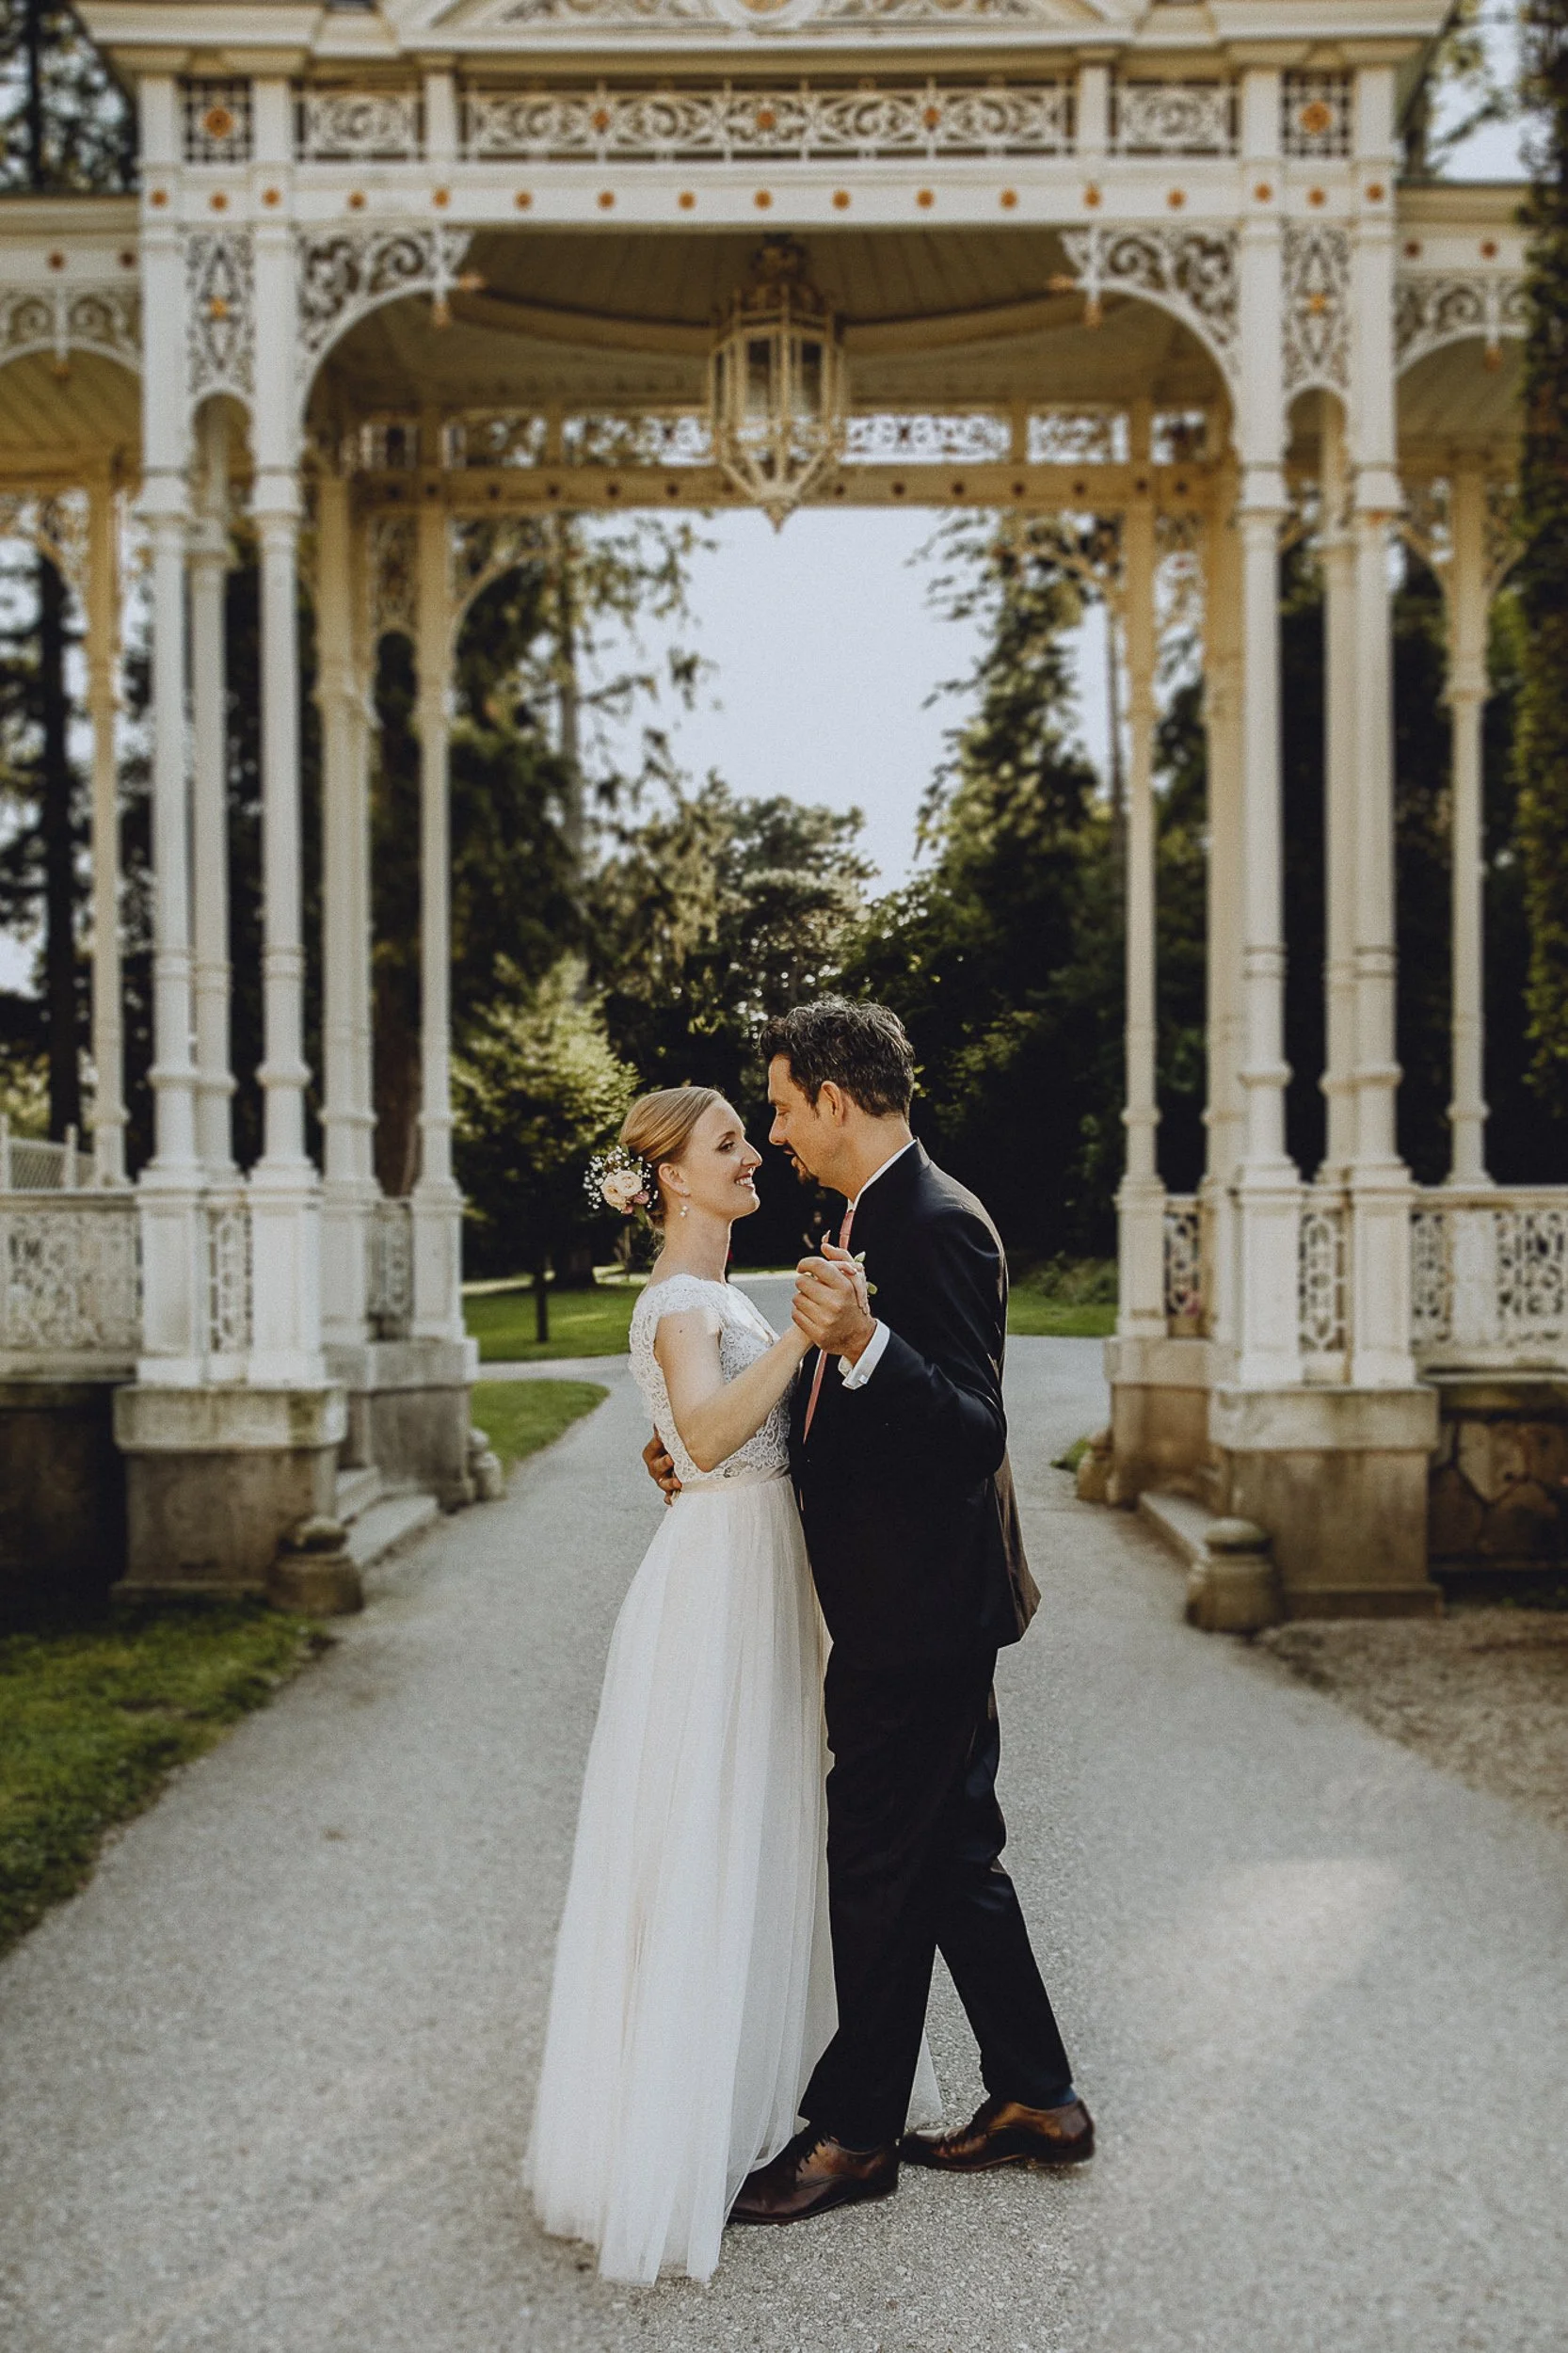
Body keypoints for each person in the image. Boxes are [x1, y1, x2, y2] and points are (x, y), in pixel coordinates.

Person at [648, 1000, 1090, 2227]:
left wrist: (866, 1339)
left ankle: (851, 2139)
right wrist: (717, 1446)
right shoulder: (860, 1212)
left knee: (876, 1860)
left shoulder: (935, 1224)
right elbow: (841, 1412)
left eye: (783, 1105)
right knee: (949, 1849)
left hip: (919, 1609)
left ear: (834, 1101)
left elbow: (972, 1431)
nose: (776, 1131)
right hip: (918, 1598)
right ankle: (1038, 2099)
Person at [526, 1082, 937, 2285]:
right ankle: (672, 2124)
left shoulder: (722, 1294)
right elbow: (705, 1438)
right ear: (670, 1179)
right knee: (704, 1831)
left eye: (745, 1135)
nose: (751, 1153)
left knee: (770, 1822)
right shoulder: (675, 1300)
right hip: (714, 1583)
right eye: (726, 1144)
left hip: (761, 1566)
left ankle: (773, 2083)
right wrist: (808, 1341)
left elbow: (723, 1436)